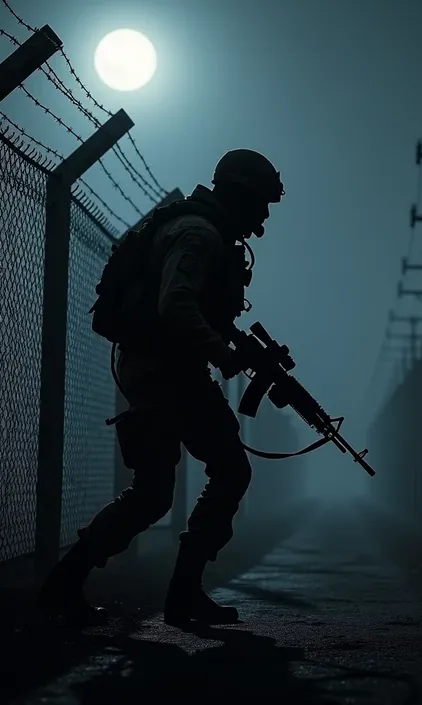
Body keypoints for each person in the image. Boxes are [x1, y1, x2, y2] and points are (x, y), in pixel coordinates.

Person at [36, 148, 285, 628]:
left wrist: (233, 345)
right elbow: (176, 304)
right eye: (261, 203)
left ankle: (163, 591)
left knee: (190, 480)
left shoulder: (203, 233)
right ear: (240, 194)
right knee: (185, 482)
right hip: (162, 370)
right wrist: (224, 354)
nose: (263, 216)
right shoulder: (199, 235)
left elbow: (195, 307)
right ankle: (95, 587)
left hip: (172, 369)